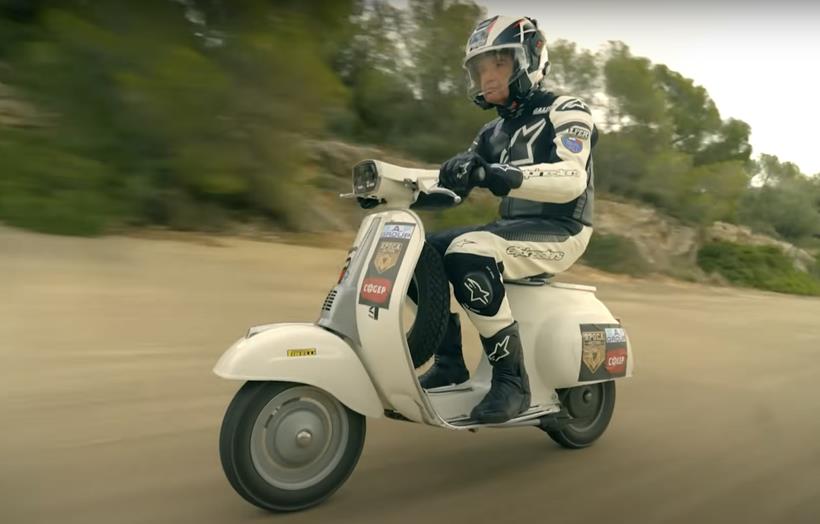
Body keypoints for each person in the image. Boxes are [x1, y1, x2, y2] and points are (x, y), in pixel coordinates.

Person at [420, 15, 599, 423]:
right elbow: (449, 189)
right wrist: (392, 187)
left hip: (563, 230)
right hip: (509, 230)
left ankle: (512, 381)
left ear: (530, 59)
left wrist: (500, 174)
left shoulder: (568, 110)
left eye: (498, 64)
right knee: (418, 253)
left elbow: (572, 178)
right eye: (480, 68)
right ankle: (449, 362)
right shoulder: (490, 132)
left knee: (468, 251)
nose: (487, 77)